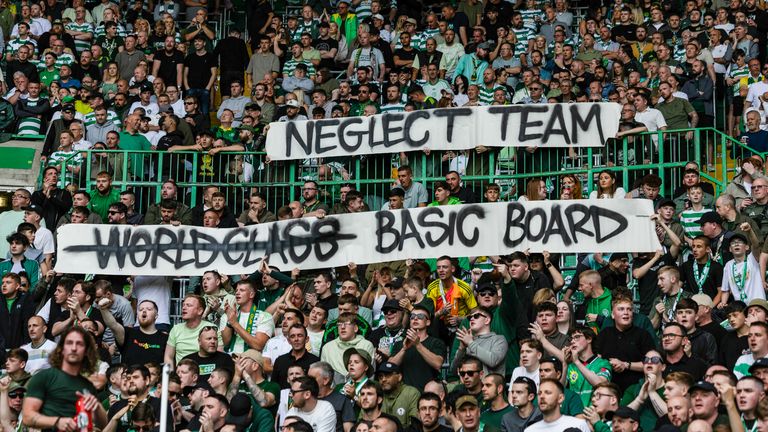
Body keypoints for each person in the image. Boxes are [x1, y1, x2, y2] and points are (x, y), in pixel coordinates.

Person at [22, 327, 108, 431]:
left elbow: (103, 425)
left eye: (79, 344)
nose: (74, 348)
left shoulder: (87, 386)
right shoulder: (44, 377)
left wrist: (97, 406)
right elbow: (27, 417)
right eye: (69, 343)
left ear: (86, 351)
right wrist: (57, 422)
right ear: (61, 349)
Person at [525, 379, 590, 432]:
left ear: (560, 398)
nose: (542, 396)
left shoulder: (578, 425)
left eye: (548, 393)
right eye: (539, 393)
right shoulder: (530, 430)